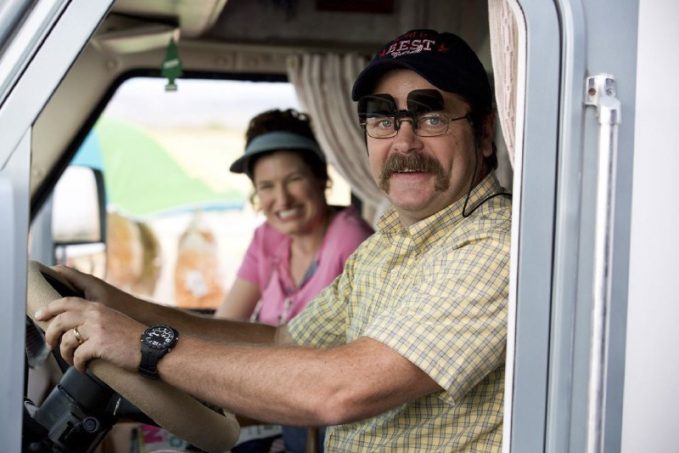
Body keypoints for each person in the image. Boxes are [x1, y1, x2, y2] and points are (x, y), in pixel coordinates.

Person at [37, 29, 512, 451]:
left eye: (432, 118)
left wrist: (146, 346)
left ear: (485, 133)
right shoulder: (387, 245)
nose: (404, 141)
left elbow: (337, 390)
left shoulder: (495, 245)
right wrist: (119, 305)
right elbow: (284, 340)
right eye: (382, 118)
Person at [217, 109, 373, 451]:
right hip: (285, 410)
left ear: (321, 178)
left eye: (294, 179)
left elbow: (360, 365)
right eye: (266, 187)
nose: (282, 199)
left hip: (337, 421)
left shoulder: (351, 240)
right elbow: (225, 323)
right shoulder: (267, 238)